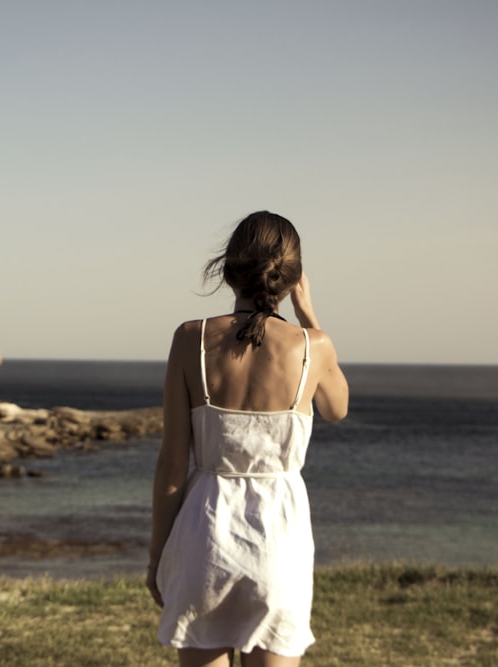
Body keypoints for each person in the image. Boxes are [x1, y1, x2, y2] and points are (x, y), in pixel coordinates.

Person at [147, 211, 349, 667]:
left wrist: (159, 556)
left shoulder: (189, 339)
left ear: (227, 270)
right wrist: (309, 316)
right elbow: (337, 408)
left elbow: (171, 465)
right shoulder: (313, 346)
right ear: (293, 278)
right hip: (278, 542)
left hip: (202, 538)